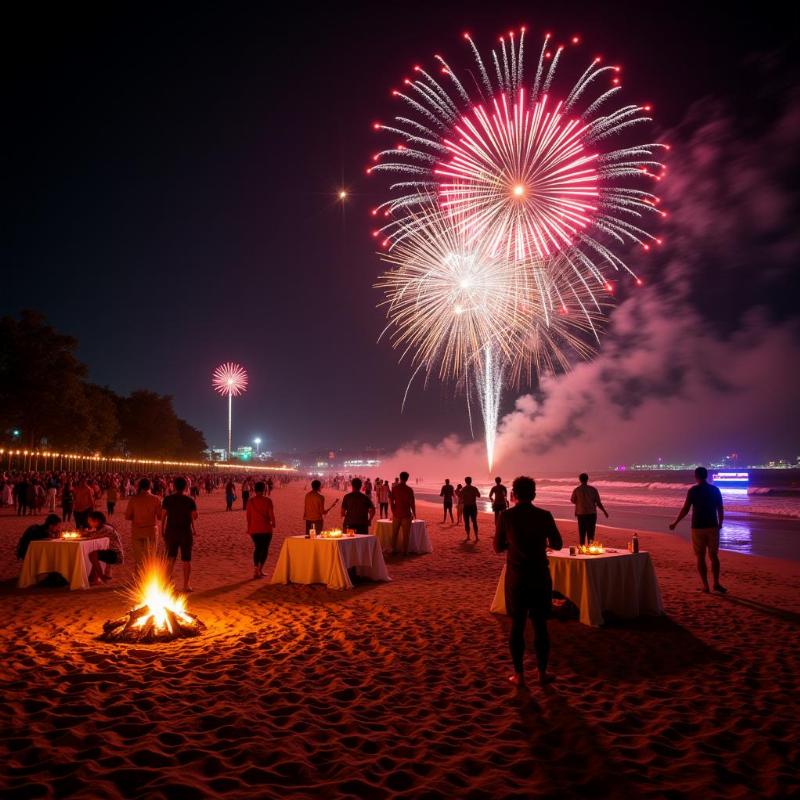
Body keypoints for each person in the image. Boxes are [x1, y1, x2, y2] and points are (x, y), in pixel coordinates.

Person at [493, 476, 563, 688]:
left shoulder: (506, 516)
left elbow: (497, 547)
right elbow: (558, 544)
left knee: (517, 625)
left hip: (517, 577)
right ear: (534, 494)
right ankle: (542, 674)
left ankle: (519, 675)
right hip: (540, 576)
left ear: (513, 494)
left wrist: (512, 546)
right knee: (540, 626)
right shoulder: (544, 515)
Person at [670, 467, 726, 594]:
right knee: (714, 556)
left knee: (700, 556)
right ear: (706, 476)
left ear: (696, 476)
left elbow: (685, 509)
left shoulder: (693, 490)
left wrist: (675, 523)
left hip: (697, 527)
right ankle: (716, 583)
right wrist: (720, 523)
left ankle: (706, 586)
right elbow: (720, 508)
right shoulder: (715, 490)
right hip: (712, 525)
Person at [161, 476, 197, 592]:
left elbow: (163, 516)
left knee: (170, 558)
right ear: (186, 486)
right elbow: (194, 516)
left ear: (174, 486)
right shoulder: (190, 500)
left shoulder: (168, 499)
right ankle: (186, 585)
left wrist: (162, 529)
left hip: (171, 531)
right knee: (186, 559)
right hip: (185, 531)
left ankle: (166, 583)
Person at [125, 478, 163, 567]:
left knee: (139, 560)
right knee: (150, 559)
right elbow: (159, 516)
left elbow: (127, 516)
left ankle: (139, 579)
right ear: (150, 486)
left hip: (137, 531)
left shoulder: (134, 499)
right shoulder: (156, 499)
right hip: (151, 531)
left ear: (139, 486)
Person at [246, 481, 275, 579]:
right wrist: (273, 523)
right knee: (265, 549)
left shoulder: (250, 501)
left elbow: (248, 516)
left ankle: (255, 569)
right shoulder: (267, 500)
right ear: (264, 489)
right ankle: (260, 569)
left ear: (254, 489)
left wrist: (249, 527)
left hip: (254, 529)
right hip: (265, 528)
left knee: (257, 548)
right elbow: (271, 514)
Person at [86, 510, 124, 585]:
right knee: (94, 554)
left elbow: (91, 537)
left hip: (115, 554)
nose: (89, 523)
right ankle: (93, 578)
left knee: (93, 555)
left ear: (97, 521)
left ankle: (102, 577)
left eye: (90, 521)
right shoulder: (103, 527)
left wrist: (85, 533)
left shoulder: (105, 529)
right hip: (110, 552)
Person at [570, 473, 608, 546]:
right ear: (587, 479)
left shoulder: (576, 490)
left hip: (581, 513)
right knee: (591, 533)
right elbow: (598, 503)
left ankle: (582, 548)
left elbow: (573, 500)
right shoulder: (593, 489)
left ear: (580, 480)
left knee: (582, 533)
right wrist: (604, 511)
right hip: (591, 514)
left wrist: (580, 502)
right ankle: (590, 548)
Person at [390, 471, 416, 554]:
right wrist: (414, 513)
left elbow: (391, 501)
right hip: (406, 514)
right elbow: (412, 503)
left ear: (400, 477)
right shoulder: (409, 490)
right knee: (406, 535)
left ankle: (393, 549)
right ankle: (405, 551)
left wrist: (393, 510)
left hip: (396, 513)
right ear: (407, 479)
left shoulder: (395, 489)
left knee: (394, 534)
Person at [461, 477, 481, 542]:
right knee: (474, 521)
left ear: (465, 481)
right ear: (471, 481)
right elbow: (479, 495)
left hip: (466, 507)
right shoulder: (474, 488)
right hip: (473, 506)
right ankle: (476, 537)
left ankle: (468, 536)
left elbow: (459, 495)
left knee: (467, 522)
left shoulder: (463, 489)